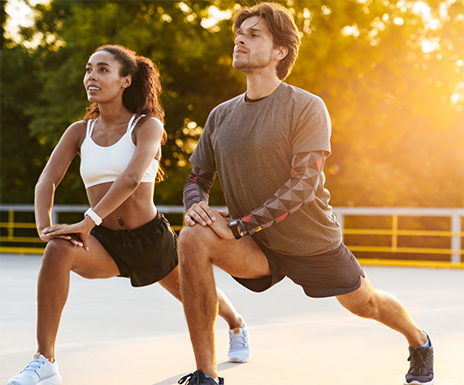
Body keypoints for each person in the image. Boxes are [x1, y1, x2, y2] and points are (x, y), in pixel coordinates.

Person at [177, 3, 434, 385]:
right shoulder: (220, 116)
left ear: (280, 51)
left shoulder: (306, 106)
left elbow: (304, 182)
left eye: (253, 34)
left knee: (367, 303)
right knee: (192, 238)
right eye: (239, 33)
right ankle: (206, 374)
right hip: (256, 246)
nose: (240, 40)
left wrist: (240, 225)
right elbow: (197, 178)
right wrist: (196, 206)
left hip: (310, 242)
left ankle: (419, 341)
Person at [7, 44, 250, 385]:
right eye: (89, 69)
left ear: (125, 80)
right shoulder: (80, 131)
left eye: (103, 69)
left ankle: (236, 322)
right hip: (105, 243)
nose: (92, 76)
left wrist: (87, 220)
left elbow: (132, 178)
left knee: (193, 292)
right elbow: (47, 179)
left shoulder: (147, 125)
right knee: (57, 250)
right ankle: (44, 360)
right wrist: (44, 226)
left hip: (150, 239)